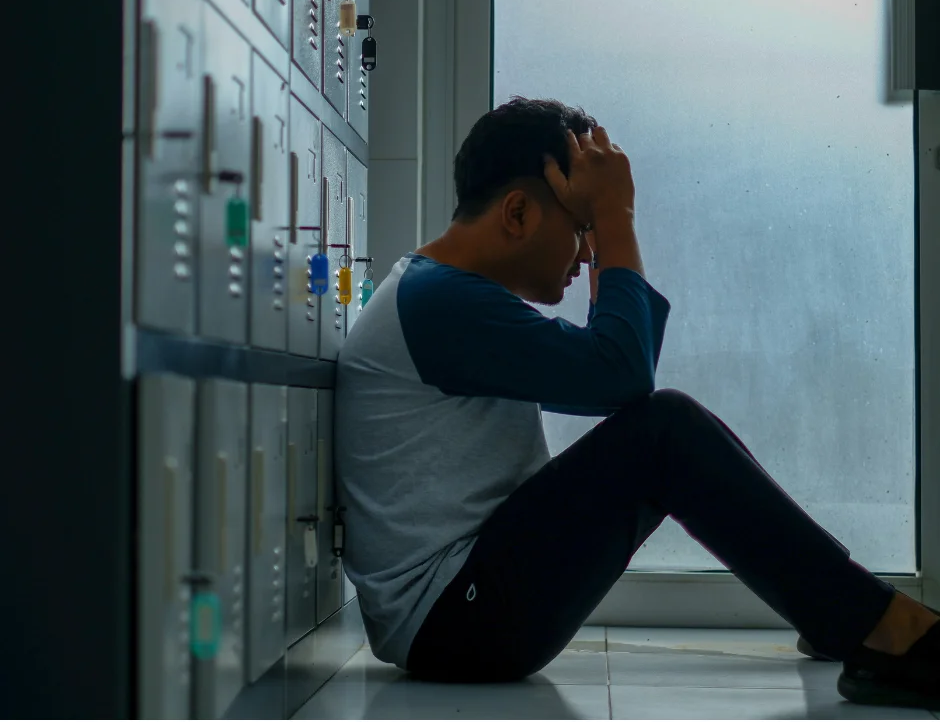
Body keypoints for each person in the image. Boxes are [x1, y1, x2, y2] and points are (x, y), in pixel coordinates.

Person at [334, 97, 939, 709]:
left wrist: (601, 220)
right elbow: (623, 377)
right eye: (580, 231)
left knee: (662, 429)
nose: (586, 256)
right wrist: (616, 215)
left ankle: (842, 611)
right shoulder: (439, 304)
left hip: (462, 613)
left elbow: (615, 368)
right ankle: (880, 630)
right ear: (517, 212)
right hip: (457, 624)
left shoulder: (441, 296)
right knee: (664, 431)